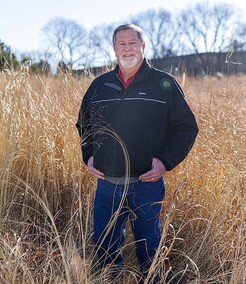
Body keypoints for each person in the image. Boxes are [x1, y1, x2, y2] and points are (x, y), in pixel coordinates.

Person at [76, 24, 198, 281]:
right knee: (104, 244)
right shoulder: (100, 86)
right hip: (108, 185)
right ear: (114, 48)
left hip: (146, 183)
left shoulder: (163, 84)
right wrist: (88, 154)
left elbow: (187, 127)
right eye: (122, 44)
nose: (128, 48)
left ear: (144, 46)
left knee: (149, 246)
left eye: (133, 42)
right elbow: (84, 124)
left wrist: (165, 162)